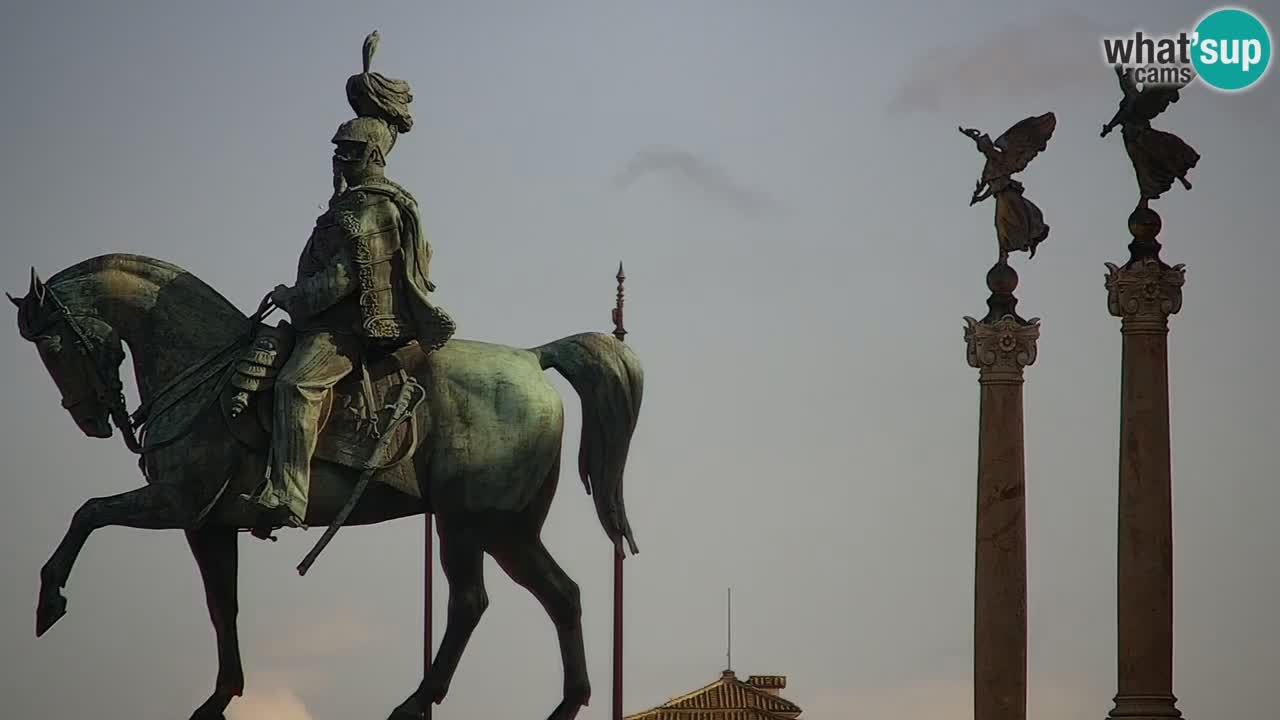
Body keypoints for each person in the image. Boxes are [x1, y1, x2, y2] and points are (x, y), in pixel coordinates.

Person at [249, 32, 455, 527]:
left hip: (344, 331)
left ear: (372, 157)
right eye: (338, 152)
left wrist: (292, 296)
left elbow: (344, 279)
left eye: (349, 153)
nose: (340, 160)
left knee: (296, 385)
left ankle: (288, 493)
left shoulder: (374, 207)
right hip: (320, 323)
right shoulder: (350, 203)